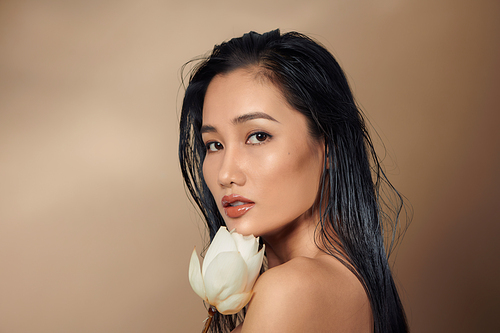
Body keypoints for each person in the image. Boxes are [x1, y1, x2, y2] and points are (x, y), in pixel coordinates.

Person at [179, 29, 409, 333]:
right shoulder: (352, 281)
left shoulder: (289, 291)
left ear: (330, 148)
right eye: (214, 145)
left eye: (258, 136)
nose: (225, 174)